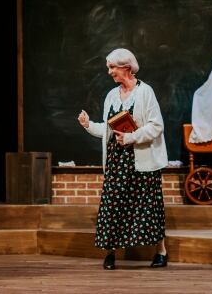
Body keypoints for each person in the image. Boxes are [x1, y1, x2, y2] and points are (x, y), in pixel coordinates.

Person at [77, 48, 169, 270]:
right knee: (113, 206)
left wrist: (131, 137)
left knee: (149, 206)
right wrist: (89, 125)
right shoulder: (111, 96)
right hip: (117, 162)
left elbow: (156, 126)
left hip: (141, 160)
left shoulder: (145, 92)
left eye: (112, 67)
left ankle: (161, 251)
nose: (109, 72)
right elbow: (109, 130)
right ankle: (110, 253)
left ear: (126, 68)